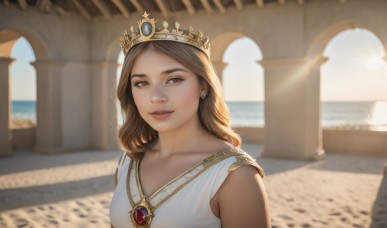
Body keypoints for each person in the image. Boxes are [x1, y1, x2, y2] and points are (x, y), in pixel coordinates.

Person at [110, 12, 271, 228]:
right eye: (141, 83)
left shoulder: (235, 176)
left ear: (203, 86)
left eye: (174, 79)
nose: (156, 96)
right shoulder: (126, 164)